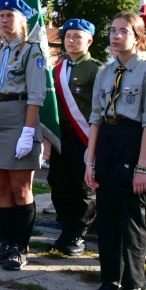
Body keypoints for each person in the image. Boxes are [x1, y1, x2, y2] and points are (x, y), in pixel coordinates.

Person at [84, 13, 146, 290]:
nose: (115, 36)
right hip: (107, 141)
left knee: (131, 221)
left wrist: (143, 167)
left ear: (138, 37)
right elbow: (95, 117)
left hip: (133, 144)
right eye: (112, 30)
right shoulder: (105, 72)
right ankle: (109, 279)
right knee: (106, 219)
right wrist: (90, 162)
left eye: (123, 31)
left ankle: (132, 284)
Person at [0, 0, 46, 271]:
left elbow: (36, 95)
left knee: (20, 188)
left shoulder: (32, 52)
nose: (4, 20)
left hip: (20, 117)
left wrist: (28, 131)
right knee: (1, 188)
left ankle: (20, 246)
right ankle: (5, 242)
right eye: (2, 15)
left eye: (10, 15)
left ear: (21, 20)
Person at [48, 19, 101, 255]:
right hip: (62, 134)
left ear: (89, 41)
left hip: (84, 134)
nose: (71, 40)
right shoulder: (57, 69)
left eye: (77, 36)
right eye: (68, 36)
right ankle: (66, 228)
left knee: (83, 187)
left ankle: (79, 234)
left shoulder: (97, 69)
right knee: (59, 183)